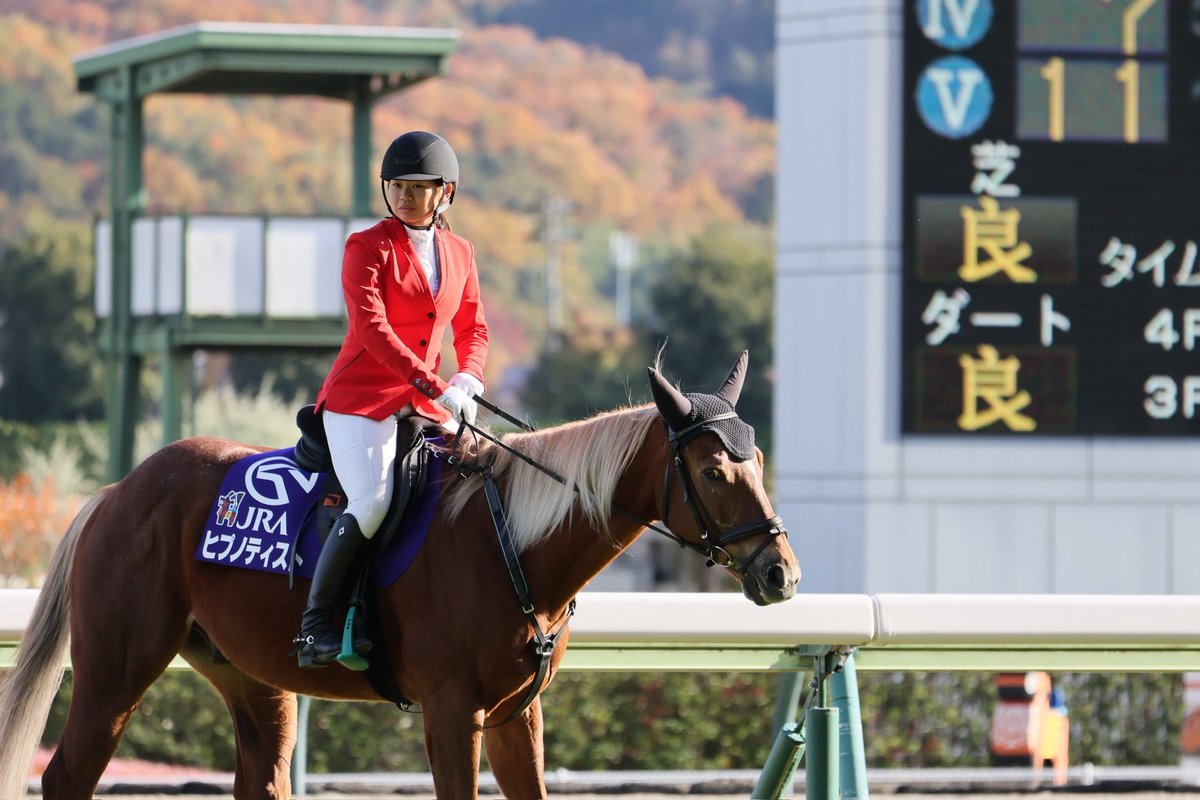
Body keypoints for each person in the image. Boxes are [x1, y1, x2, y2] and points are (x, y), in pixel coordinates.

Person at [292, 131, 489, 669]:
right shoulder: (367, 247)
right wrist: (437, 386)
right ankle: (315, 626)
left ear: (444, 193)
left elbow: (473, 328)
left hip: (431, 401)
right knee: (374, 501)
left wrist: (469, 378)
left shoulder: (460, 251)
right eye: (396, 186)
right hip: (361, 399)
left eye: (416, 188)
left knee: (477, 483)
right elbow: (374, 332)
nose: (403, 196)